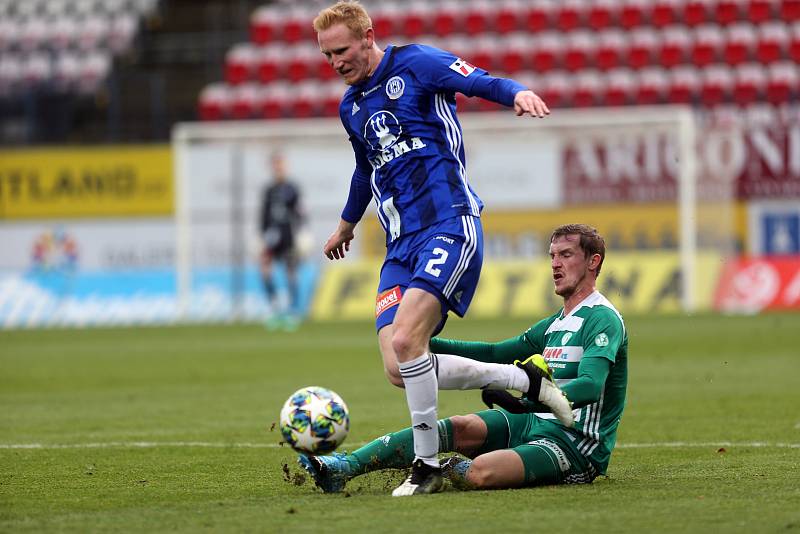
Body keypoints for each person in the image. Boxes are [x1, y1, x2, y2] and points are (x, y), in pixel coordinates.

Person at [313, 1, 552, 496]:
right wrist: (345, 225)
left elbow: (477, 79)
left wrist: (517, 93)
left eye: (341, 50)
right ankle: (520, 380)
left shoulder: (416, 63)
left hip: (448, 224)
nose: (335, 62)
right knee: (399, 367)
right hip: (399, 248)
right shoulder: (350, 106)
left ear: (367, 37)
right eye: (326, 55)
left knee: (407, 342)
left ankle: (426, 466)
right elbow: (365, 169)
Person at [300, 224, 628, 493]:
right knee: (459, 426)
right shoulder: (556, 322)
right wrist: (422, 342)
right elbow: (495, 353)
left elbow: (590, 385)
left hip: (575, 444)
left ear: (593, 262)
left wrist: (530, 401)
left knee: (481, 473)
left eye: (566, 255)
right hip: (534, 421)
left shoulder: (603, 319)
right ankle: (343, 467)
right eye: (552, 256)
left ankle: (438, 471)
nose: (555, 264)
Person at [259, 151, 305, 331]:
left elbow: (300, 213)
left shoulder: (292, 188)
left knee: (290, 272)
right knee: (265, 269)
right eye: (276, 165)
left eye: (281, 165)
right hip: (271, 236)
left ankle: (293, 310)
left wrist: (302, 233)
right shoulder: (268, 190)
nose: (278, 168)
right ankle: (274, 306)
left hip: (288, 236)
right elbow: (263, 215)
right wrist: (261, 236)